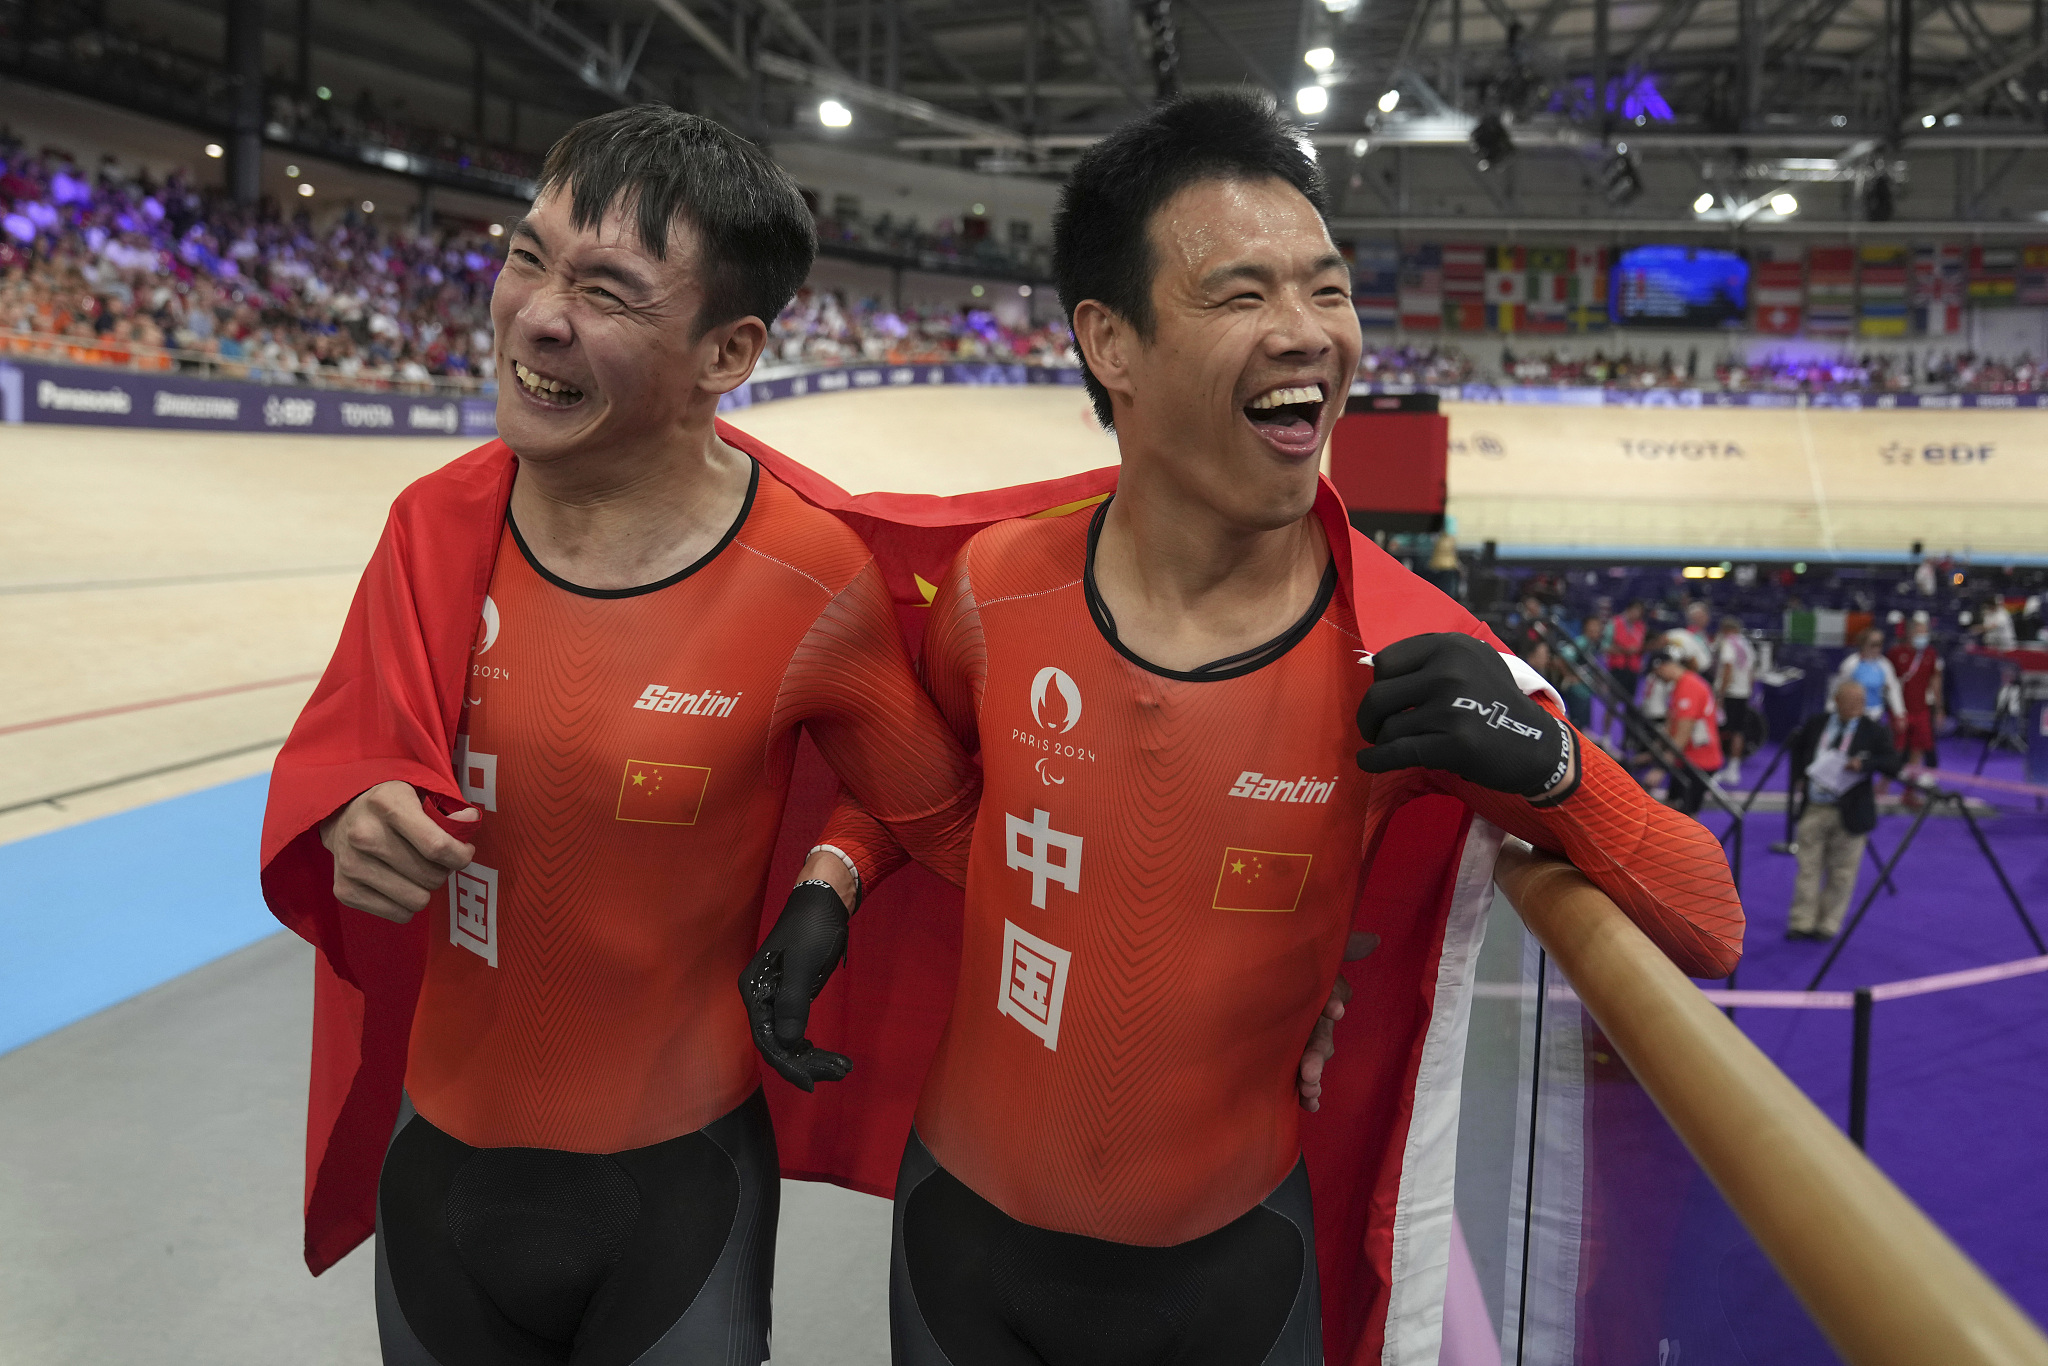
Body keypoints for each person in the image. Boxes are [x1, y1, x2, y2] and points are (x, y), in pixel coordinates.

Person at [743, 92, 1742, 1366]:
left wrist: (1551, 767)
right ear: (1110, 341)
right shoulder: (999, 584)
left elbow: (1707, 918)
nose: (1307, 335)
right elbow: (918, 782)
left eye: (1327, 290)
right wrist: (835, 875)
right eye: (1241, 296)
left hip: (1231, 1278)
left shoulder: (1410, 652)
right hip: (960, 1252)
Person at [260, 107, 998, 1365]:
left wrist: (832, 872)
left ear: (728, 352)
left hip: (677, 1194)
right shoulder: (429, 529)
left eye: (605, 290)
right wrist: (348, 807)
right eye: (527, 255)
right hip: (437, 1182)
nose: (537, 313)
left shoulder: (806, 578)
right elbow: (352, 750)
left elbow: (959, 835)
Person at [1785, 679, 1917, 940]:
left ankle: (1828, 923)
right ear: (1836, 701)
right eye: (1851, 701)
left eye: (1861, 701)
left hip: (1851, 811)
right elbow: (1799, 751)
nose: (1858, 706)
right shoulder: (1817, 723)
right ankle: (1802, 920)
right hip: (1815, 806)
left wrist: (1864, 764)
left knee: (1842, 873)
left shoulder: (1874, 731)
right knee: (1807, 868)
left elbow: (1892, 763)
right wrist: (1799, 778)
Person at [1649, 647, 1724, 814]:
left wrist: (1660, 768)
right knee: (1671, 809)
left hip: (1698, 762)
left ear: (1662, 667)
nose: (1658, 678)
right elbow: (1671, 725)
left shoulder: (1688, 687)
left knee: (1686, 819)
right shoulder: (1680, 686)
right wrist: (1652, 752)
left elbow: (1682, 735)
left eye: (1657, 673)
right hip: (1684, 759)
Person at [1887, 611, 1944, 799]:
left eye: (1925, 632)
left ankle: (1909, 792)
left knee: (1916, 751)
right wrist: (1893, 711)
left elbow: (1935, 682)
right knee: (1895, 750)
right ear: (1910, 633)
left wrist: (1939, 709)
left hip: (1921, 711)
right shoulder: (1895, 653)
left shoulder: (1930, 654)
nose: (1923, 636)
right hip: (1901, 711)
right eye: (1920, 632)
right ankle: (1882, 785)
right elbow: (1888, 683)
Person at [1713, 615, 1758, 785]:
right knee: (1738, 731)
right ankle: (1733, 770)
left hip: (1730, 693)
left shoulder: (1727, 643)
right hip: (1743, 693)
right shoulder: (1746, 645)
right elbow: (1752, 672)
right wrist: (1749, 690)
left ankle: (1715, 768)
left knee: (1717, 730)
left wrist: (1720, 695)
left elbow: (1728, 669)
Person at [1834, 627, 1905, 725]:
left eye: (1880, 644)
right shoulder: (1851, 664)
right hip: (1855, 715)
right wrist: (1832, 710)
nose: (1877, 648)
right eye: (1873, 645)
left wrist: (1899, 713)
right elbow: (1838, 688)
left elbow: (1893, 689)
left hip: (1877, 714)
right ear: (1863, 644)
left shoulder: (1885, 665)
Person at [1605, 599, 1647, 736]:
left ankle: (1627, 740)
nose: (1636, 614)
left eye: (1639, 612)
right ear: (1628, 610)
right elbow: (1605, 646)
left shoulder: (1641, 627)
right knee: (1612, 703)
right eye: (1635, 610)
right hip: (1617, 669)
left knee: (1631, 707)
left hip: (1633, 671)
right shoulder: (1614, 623)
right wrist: (1624, 650)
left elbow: (1642, 648)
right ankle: (1606, 736)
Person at [1662, 599, 1714, 673]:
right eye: (1701, 616)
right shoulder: (1689, 633)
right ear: (1693, 618)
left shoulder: (1703, 633)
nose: (1705, 618)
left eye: (1705, 615)